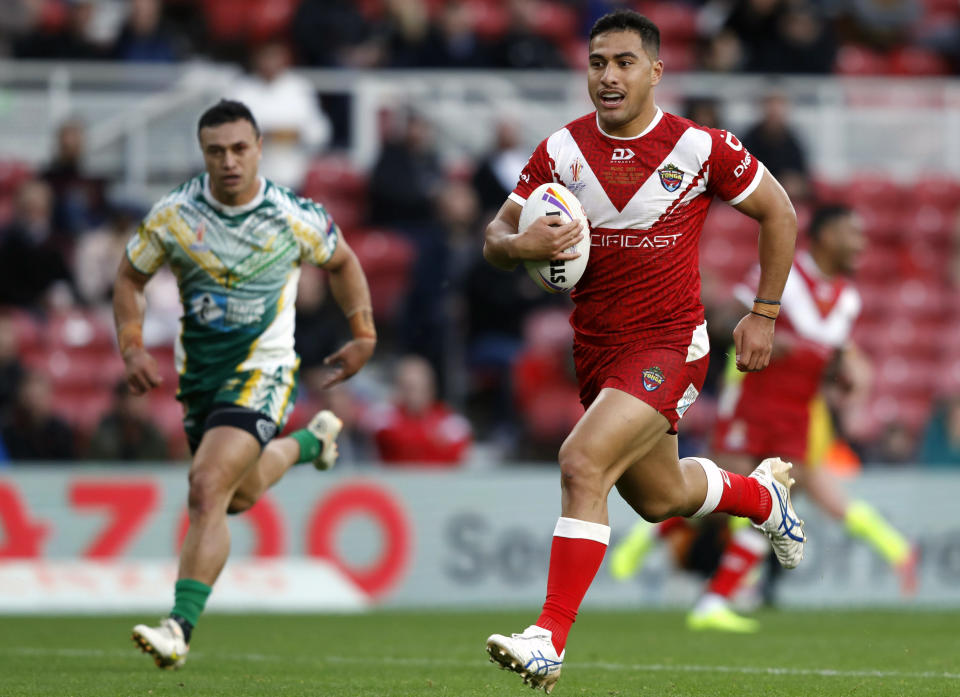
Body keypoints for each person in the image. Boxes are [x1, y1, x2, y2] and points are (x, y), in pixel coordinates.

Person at [481, 10, 801, 693]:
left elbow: (780, 212)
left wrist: (764, 313)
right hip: (598, 353)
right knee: (660, 497)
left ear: (656, 70)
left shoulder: (699, 147)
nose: (608, 76)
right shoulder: (560, 152)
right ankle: (764, 496)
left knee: (580, 460)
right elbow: (494, 238)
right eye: (598, 63)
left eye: (624, 62)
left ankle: (548, 638)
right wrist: (519, 247)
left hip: (670, 346)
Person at [115, 100, 376, 669]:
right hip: (202, 379)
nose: (229, 161)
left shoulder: (292, 215)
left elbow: (344, 262)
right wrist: (132, 344)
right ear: (203, 154)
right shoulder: (176, 215)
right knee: (238, 495)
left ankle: (178, 628)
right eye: (216, 151)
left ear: (259, 148)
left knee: (206, 487)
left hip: (265, 371)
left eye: (239, 148)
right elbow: (130, 277)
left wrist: (364, 333)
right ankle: (312, 443)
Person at [610, 205, 918, 632]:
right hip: (753, 404)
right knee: (723, 499)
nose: (861, 244)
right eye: (852, 233)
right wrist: (767, 332)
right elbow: (724, 319)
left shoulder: (848, 299)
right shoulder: (783, 276)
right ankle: (650, 539)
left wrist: (840, 375)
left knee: (770, 507)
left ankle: (714, 602)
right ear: (826, 237)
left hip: (797, 416)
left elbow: (833, 356)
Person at [368, 354, 471, 466]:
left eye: (419, 388)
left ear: (431, 389)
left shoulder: (451, 422)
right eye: (407, 388)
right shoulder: (384, 416)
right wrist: (432, 440)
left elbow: (456, 456)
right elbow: (391, 440)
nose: (413, 395)